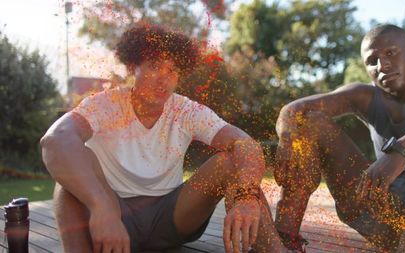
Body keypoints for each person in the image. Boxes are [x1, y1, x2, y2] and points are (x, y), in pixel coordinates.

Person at [41, 23, 286, 253]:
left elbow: (245, 143)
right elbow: (55, 140)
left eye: (173, 70)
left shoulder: (186, 110)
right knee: (67, 183)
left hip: (173, 218)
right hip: (115, 216)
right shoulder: (105, 105)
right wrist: (100, 206)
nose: (164, 79)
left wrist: (246, 196)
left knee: (231, 162)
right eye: (155, 66)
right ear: (132, 66)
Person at [273, 24, 405, 252]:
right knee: (308, 123)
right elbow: (294, 111)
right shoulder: (365, 96)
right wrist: (287, 139)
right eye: (372, 61)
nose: (383, 65)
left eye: (391, 52)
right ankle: (285, 237)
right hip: (385, 220)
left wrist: (400, 151)